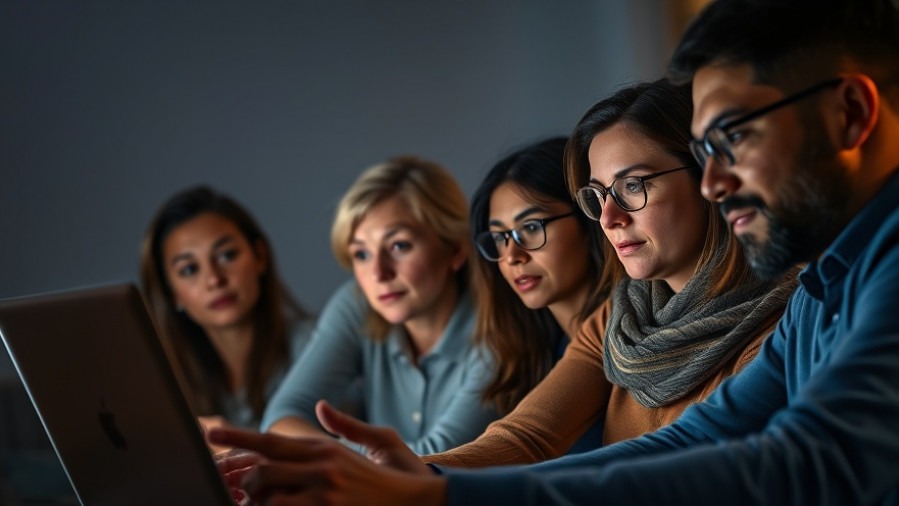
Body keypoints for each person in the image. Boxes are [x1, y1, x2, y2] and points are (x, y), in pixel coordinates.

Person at [214, 0, 899, 503]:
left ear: (849, 114)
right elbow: (684, 442)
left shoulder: (836, 278)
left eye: (732, 140)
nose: (716, 182)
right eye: (706, 151)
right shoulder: (823, 281)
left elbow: (803, 464)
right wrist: (428, 479)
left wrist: (436, 496)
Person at [258, 155, 500, 455]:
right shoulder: (357, 304)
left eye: (399, 246)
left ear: (455, 250)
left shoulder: (500, 325)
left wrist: (323, 454)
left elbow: (439, 459)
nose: (377, 274)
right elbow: (281, 418)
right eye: (361, 254)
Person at [466, 136, 614, 453]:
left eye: (531, 227)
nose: (512, 255)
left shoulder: (633, 336)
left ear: (588, 218)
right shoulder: (534, 355)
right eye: (500, 237)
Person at [140, 185, 315, 432]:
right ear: (172, 294)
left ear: (259, 257)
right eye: (189, 270)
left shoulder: (315, 343)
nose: (214, 279)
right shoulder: (169, 383)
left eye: (226, 255)